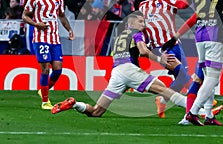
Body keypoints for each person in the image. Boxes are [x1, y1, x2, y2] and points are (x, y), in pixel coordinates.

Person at [51, 11, 186, 117]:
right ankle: (196, 109)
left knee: (96, 111)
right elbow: (143, 51)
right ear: (131, 23)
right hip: (128, 70)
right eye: (140, 22)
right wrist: (159, 59)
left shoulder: (119, 35)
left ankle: (74, 104)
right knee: (165, 90)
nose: (143, 25)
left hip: (116, 72)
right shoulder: (136, 33)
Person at [139, 0, 191, 118]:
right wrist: (145, 42)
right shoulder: (143, 6)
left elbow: (182, 5)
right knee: (184, 77)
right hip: (161, 48)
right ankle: (202, 106)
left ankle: (162, 99)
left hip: (175, 45)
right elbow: (143, 27)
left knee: (182, 79)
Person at [22, 0, 75, 110]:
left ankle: (43, 90)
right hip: (40, 38)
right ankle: (45, 101)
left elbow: (62, 16)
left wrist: (69, 30)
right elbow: (24, 16)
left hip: (55, 38)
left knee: (58, 70)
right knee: (45, 69)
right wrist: (36, 24)